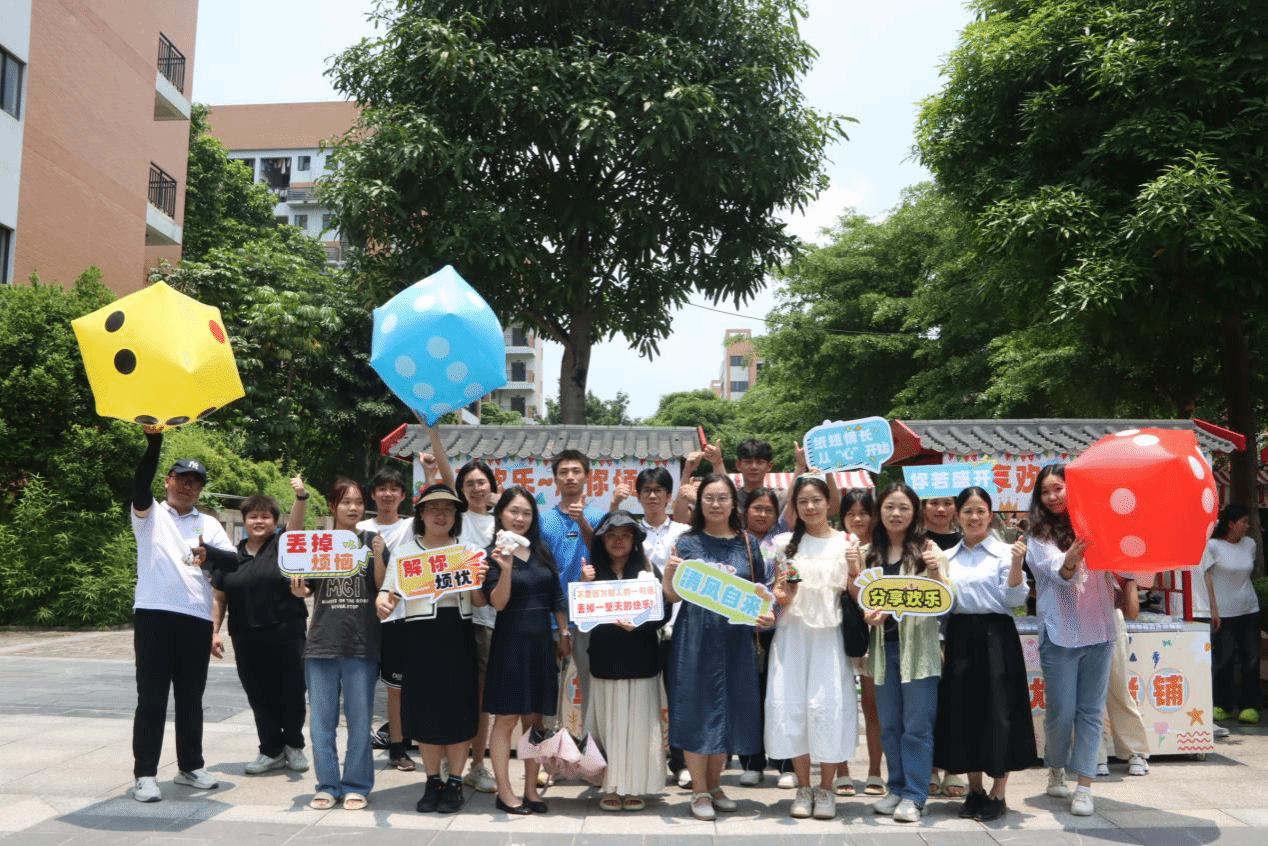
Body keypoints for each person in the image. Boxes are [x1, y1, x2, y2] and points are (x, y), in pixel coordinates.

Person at [129, 429, 235, 803]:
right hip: (155, 615)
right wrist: (154, 442)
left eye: (195, 483)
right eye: (182, 479)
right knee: (152, 697)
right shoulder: (150, 515)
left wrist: (211, 556)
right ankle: (145, 775)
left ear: (200, 490)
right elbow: (139, 485)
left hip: (196, 618)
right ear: (168, 481)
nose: (188, 487)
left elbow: (234, 561)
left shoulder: (209, 524)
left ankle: (190, 767)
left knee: (191, 697)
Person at [662, 474, 775, 821]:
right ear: (700, 503)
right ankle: (698, 790)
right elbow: (673, 595)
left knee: (729, 708)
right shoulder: (687, 542)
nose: (715, 504)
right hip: (696, 635)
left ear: (733, 503)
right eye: (709, 498)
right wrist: (668, 573)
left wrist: (766, 615)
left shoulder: (747, 543)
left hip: (736, 638)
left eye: (722, 498)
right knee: (697, 708)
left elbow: (759, 591)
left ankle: (714, 786)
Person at [376, 484, 488, 814]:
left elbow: (479, 601)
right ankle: (431, 780)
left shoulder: (467, 551)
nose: (441, 515)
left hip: (458, 634)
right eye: (433, 509)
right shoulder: (405, 552)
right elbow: (387, 592)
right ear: (421, 514)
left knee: (458, 710)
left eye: (448, 509)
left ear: (455, 516)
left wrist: (479, 579)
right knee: (424, 710)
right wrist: (382, 603)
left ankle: (455, 781)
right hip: (420, 636)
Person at [933, 487, 1035, 821]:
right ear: (957, 516)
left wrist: (1017, 564)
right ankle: (974, 790)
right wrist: (942, 642)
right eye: (967, 511)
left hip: (997, 638)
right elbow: (943, 606)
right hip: (960, 637)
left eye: (980, 511)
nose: (974, 517)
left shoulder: (1006, 552)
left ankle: (998, 793)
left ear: (990, 515)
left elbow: (1014, 600)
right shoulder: (948, 557)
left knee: (999, 713)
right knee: (965, 713)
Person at [1026, 464, 1118, 817]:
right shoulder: (1038, 537)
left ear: (1072, 490)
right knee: (1061, 712)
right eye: (1045, 491)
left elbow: (1122, 570)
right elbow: (1059, 574)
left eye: (1058, 488)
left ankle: (1084, 787)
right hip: (1060, 633)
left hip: (1100, 631)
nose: (1053, 496)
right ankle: (1055, 767)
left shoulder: (1098, 525)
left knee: (1091, 712)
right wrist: (1072, 559)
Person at [292, 478, 387, 811]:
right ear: (333, 506)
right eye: (345, 501)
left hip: (361, 644)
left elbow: (381, 585)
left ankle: (357, 785)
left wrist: (378, 556)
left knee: (360, 721)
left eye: (358, 502)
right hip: (321, 644)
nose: (353, 507)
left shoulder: (372, 541)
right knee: (321, 722)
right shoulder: (320, 543)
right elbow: (304, 582)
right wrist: (299, 590)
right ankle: (328, 784)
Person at [766, 476, 857, 820]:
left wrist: (855, 571)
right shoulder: (783, 543)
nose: (810, 507)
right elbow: (779, 593)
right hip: (792, 635)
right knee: (792, 707)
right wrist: (780, 595)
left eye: (816, 500)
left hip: (830, 637)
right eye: (802, 501)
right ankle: (803, 787)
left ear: (829, 503)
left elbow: (856, 591)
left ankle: (826, 788)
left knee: (828, 707)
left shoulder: (847, 542)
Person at [210, 476, 311, 777]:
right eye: (253, 516)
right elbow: (218, 597)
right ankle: (270, 749)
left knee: (292, 690)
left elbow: (296, 526)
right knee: (259, 694)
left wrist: (301, 497)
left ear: (274, 522)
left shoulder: (282, 545)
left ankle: (293, 745)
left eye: (265, 516)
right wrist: (214, 631)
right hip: (246, 635)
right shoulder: (230, 558)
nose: (258, 521)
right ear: (244, 521)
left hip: (287, 631)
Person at [482, 487, 572, 815]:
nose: (520, 518)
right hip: (510, 643)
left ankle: (531, 789)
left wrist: (564, 632)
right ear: (500, 514)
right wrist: (505, 569)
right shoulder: (491, 554)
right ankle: (505, 792)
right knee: (506, 717)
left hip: (541, 643)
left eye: (527, 513)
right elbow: (498, 603)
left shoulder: (542, 550)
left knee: (534, 718)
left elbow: (556, 596)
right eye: (514, 511)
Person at [864, 482, 949, 823]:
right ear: (879, 512)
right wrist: (868, 615)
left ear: (915, 513)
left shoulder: (929, 550)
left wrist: (934, 570)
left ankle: (915, 795)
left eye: (903, 507)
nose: (896, 514)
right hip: (883, 650)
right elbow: (861, 598)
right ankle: (896, 788)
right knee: (889, 725)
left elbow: (947, 599)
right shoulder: (869, 552)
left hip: (920, 652)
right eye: (889, 507)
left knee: (917, 726)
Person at [581, 511, 673, 811]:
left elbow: (664, 612)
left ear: (635, 540)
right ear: (601, 540)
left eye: (625, 535)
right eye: (611, 535)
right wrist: (583, 584)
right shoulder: (591, 572)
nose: (618, 540)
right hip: (605, 660)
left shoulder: (647, 570)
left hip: (641, 659)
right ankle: (610, 785)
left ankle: (636, 786)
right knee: (608, 726)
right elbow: (580, 614)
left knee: (639, 728)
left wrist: (640, 624)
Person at [629, 467, 691, 787]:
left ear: (669, 496)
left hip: (676, 625)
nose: (652, 496)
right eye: (646, 490)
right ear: (638, 495)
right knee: (640, 697)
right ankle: (641, 761)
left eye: (659, 491)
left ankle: (681, 763)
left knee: (678, 696)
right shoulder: (628, 532)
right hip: (637, 628)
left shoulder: (684, 532)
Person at [357, 464, 415, 772]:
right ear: (373, 495)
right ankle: (359, 743)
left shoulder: (411, 526)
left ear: (403, 496)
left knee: (396, 687)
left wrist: (432, 471)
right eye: (382, 489)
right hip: (363, 618)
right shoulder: (360, 528)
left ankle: (397, 747)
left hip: (399, 617)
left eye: (394, 489)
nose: (388, 494)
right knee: (361, 685)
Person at [539, 450, 605, 715]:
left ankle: (589, 738)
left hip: (589, 617)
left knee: (592, 686)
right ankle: (549, 739)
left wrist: (583, 522)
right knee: (549, 688)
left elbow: (605, 557)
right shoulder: (543, 520)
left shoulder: (599, 517)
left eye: (576, 471)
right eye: (563, 472)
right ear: (555, 479)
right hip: (552, 617)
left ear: (587, 476)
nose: (570, 477)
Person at [738, 488, 793, 789]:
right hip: (744, 629)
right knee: (749, 697)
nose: (762, 514)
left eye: (768, 509)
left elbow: (791, 582)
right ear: (745, 511)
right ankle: (752, 762)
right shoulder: (736, 541)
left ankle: (785, 763)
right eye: (756, 508)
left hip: (780, 628)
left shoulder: (784, 542)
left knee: (780, 696)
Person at [1195, 504, 1261, 725]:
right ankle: (1223, 705)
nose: (1247, 526)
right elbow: (1207, 577)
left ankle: (1250, 706)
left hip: (1249, 610)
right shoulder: (1213, 546)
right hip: (1224, 613)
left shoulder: (1250, 544)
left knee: (1251, 659)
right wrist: (1213, 609)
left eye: (1248, 522)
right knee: (1224, 660)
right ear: (1231, 524)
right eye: (1244, 522)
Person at [839, 487, 885, 798]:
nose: (857, 519)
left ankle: (874, 771)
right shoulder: (833, 546)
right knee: (840, 704)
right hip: (838, 632)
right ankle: (841, 771)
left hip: (873, 635)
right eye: (850, 513)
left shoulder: (882, 549)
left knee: (872, 706)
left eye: (863, 513)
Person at [1096, 574, 1149, 777]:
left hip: (1110, 620)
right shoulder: (1067, 555)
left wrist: (1121, 586)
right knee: (1087, 694)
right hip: (1076, 621)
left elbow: (1132, 611)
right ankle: (1095, 755)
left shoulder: (1119, 563)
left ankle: (1135, 751)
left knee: (1119, 689)